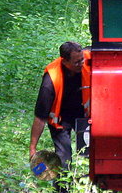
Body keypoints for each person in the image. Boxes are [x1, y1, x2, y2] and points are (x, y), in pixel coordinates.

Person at [29, 41, 91, 178]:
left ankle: (93, 188)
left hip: (83, 116)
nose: (81, 63)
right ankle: (62, 192)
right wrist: (33, 148)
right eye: (76, 62)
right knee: (64, 159)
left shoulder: (89, 59)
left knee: (92, 153)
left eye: (82, 59)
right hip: (61, 121)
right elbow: (40, 118)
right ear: (65, 61)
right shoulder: (50, 80)